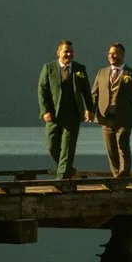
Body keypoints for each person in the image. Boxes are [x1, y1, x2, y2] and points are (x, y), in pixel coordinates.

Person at [91, 42, 132, 177]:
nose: (111, 56)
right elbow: (94, 94)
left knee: (122, 143)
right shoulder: (101, 73)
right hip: (105, 117)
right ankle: (116, 175)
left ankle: (124, 174)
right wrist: (89, 111)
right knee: (110, 148)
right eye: (109, 53)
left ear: (122, 54)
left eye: (115, 53)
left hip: (124, 117)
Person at [37, 39, 95, 181]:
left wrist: (90, 109)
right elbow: (42, 90)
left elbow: (87, 91)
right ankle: (68, 169)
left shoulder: (80, 69)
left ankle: (61, 179)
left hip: (73, 114)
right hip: (54, 115)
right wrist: (45, 111)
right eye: (66, 51)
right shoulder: (48, 68)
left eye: (71, 51)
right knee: (51, 144)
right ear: (58, 52)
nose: (69, 54)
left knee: (68, 147)